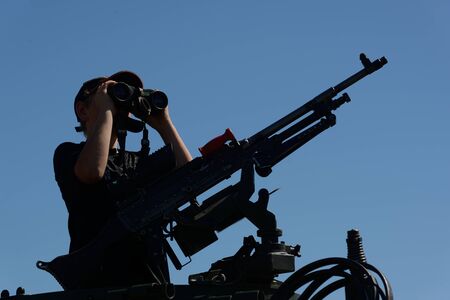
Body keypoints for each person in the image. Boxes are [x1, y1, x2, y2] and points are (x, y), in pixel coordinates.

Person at [53, 71, 192, 288]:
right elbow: (92, 172)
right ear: (82, 110)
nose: (120, 105)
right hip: (99, 285)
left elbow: (188, 179)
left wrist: (164, 123)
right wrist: (106, 110)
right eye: (111, 94)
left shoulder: (138, 161)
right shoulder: (68, 154)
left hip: (151, 284)